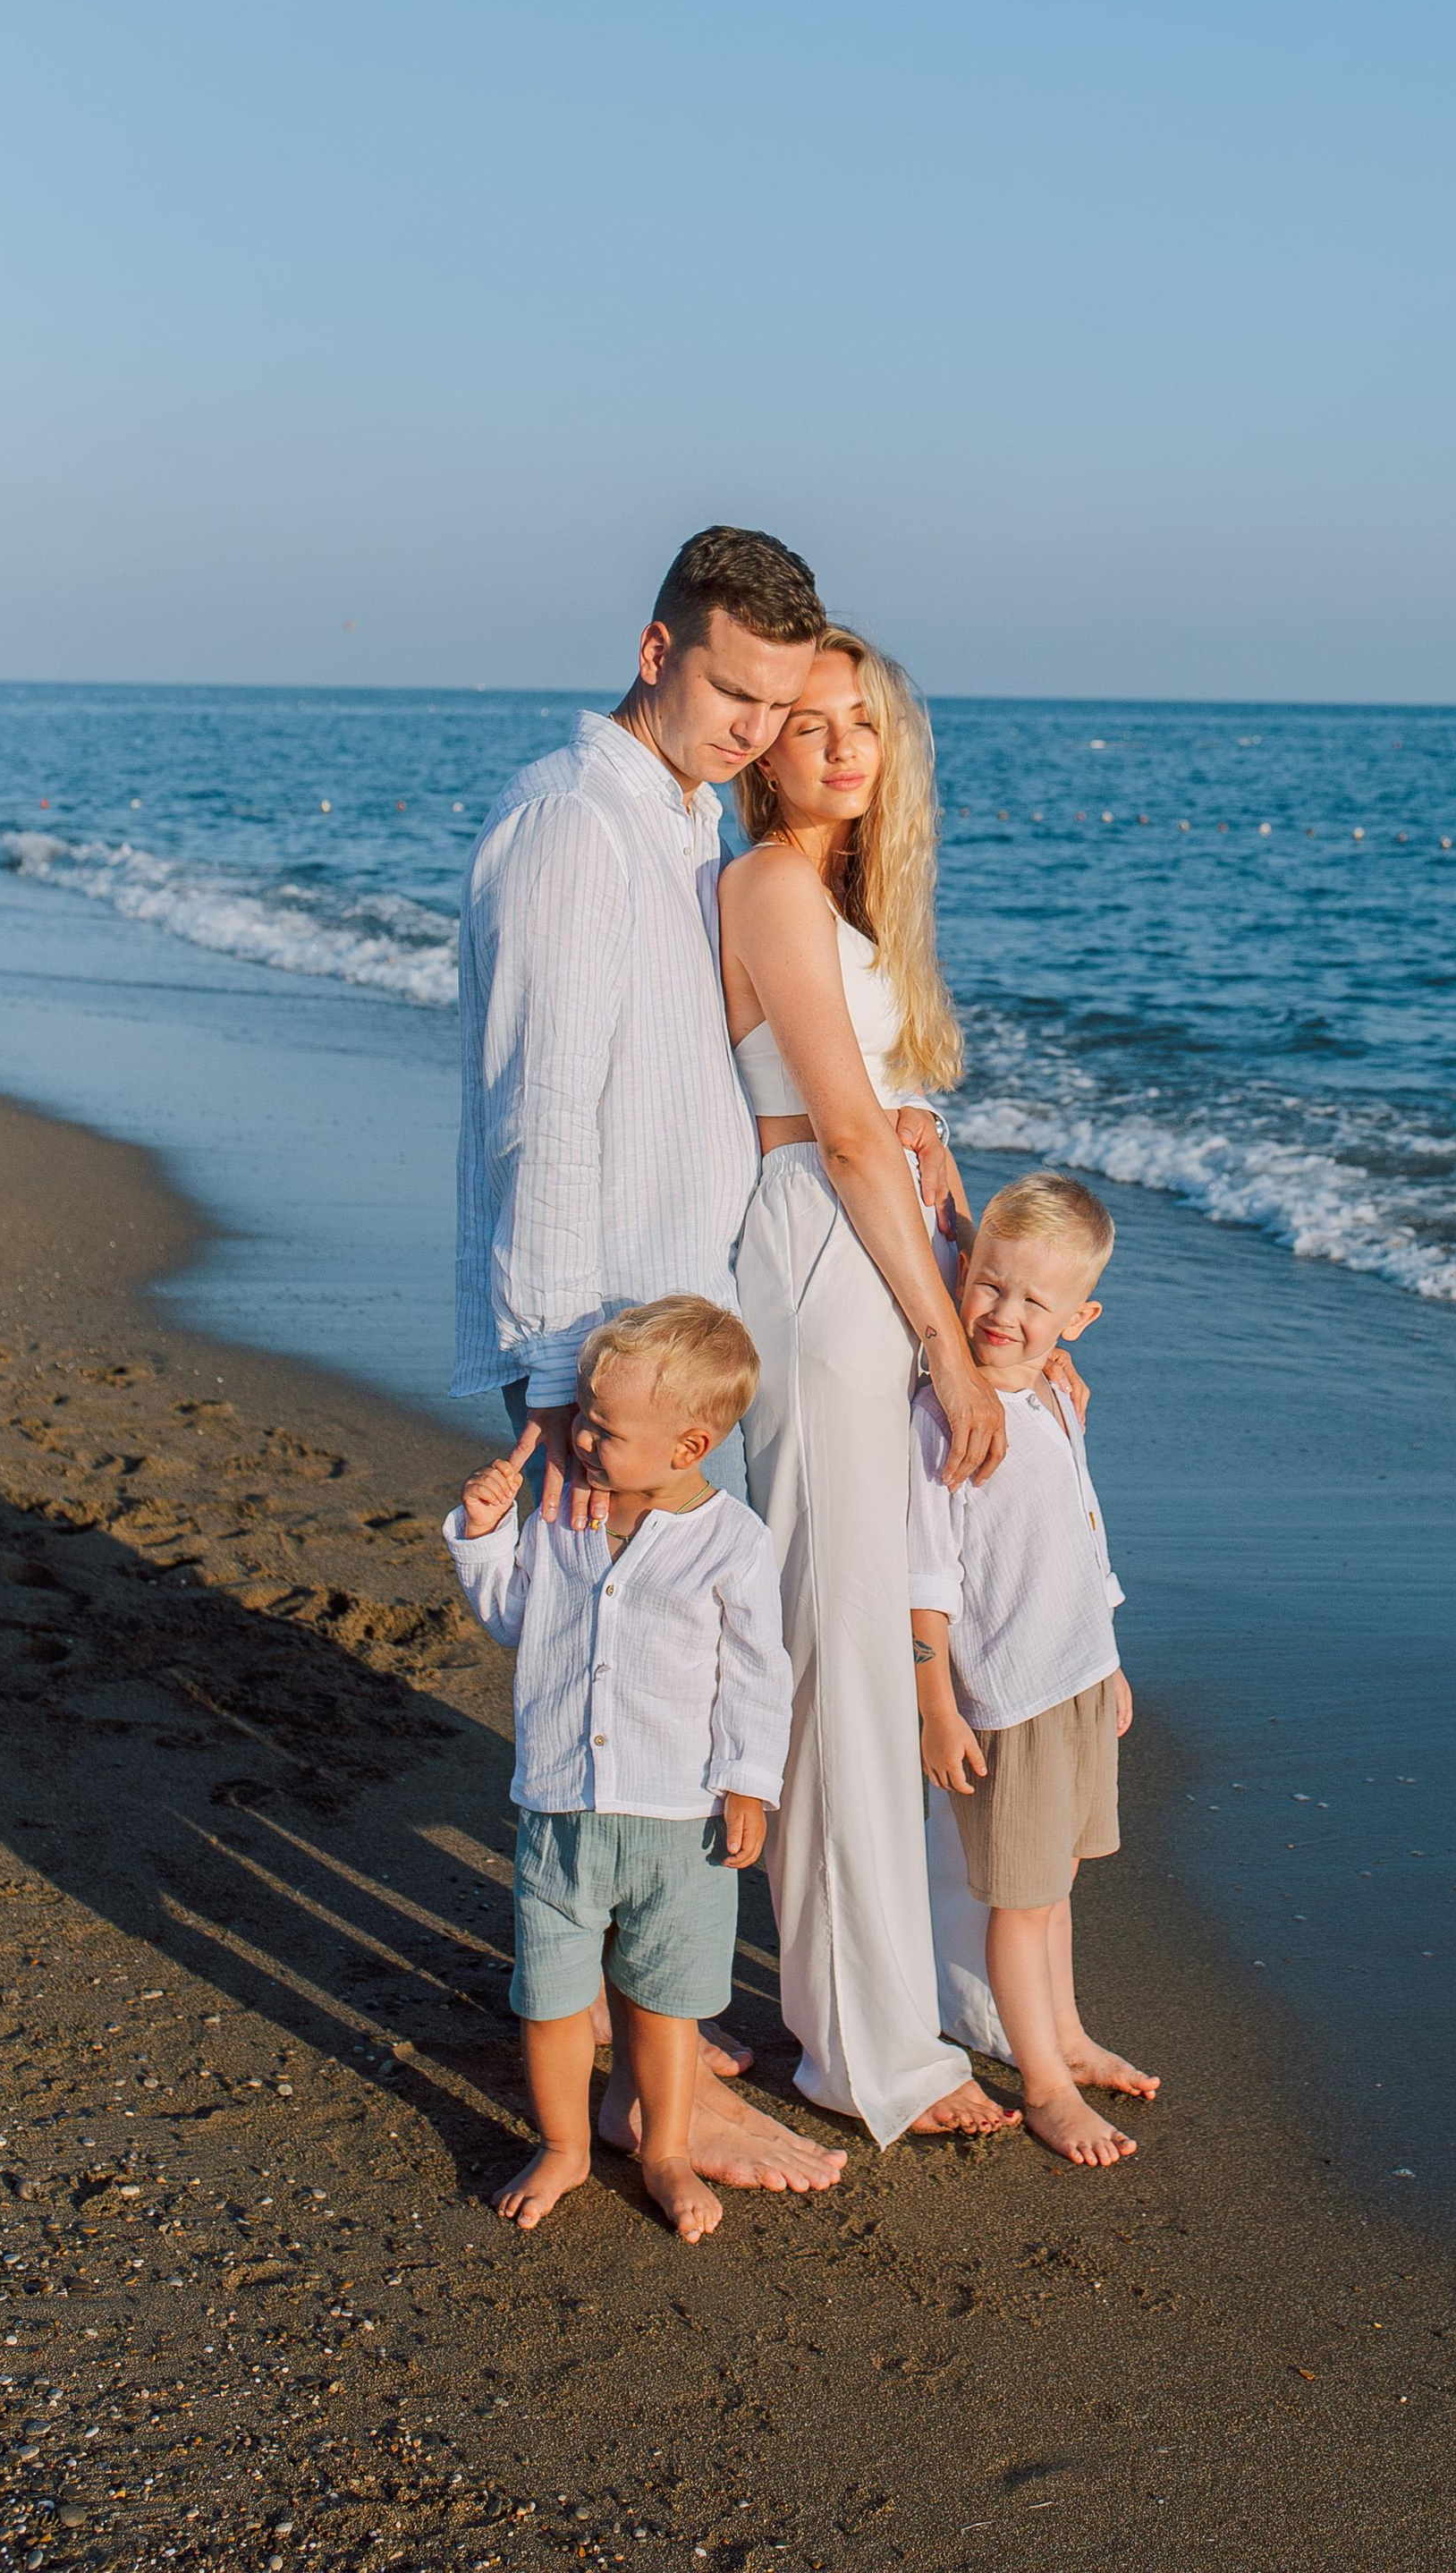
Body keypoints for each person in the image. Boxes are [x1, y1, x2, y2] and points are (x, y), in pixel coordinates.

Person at [454, 524, 941, 2195]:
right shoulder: (570, 830)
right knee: (631, 1745)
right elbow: (541, 1124)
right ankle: (659, 2109)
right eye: (731, 690)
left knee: (668, 1727)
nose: (751, 729)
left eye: (776, 704)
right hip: (620, 1365)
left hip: (688, 1335)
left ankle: (659, 2065)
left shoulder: (674, 827)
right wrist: (563, 1395)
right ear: (654, 649)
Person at [720, 630, 1023, 2144]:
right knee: (837, 1656)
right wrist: (954, 1352)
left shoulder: (838, 899)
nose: (845, 748)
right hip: (818, 1255)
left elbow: (874, 1110)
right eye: (811, 723)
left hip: (857, 1246)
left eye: (867, 723)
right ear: (762, 745)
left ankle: (879, 2012)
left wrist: (922, 1125)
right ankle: (863, 2052)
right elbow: (833, 1132)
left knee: (847, 1637)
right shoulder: (771, 884)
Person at [444, 1297, 791, 2244]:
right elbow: (517, 1621)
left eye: (604, 1427)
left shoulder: (732, 1542)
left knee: (664, 2004)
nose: (581, 1436)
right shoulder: (560, 1514)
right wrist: (484, 1537)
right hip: (559, 1809)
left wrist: (750, 1780)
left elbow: (760, 1673)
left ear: (689, 1445)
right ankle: (562, 2145)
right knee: (553, 1998)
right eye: (584, 1417)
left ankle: (666, 2149)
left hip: (679, 1820)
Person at [908, 1171, 1160, 2166]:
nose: (1005, 1314)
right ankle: (1044, 2085)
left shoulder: (1056, 1396)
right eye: (990, 1286)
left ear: (1080, 1319)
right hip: (1005, 1697)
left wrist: (1111, 1656)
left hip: (1079, 1680)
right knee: (1015, 1899)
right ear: (962, 1273)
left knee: (1054, 1884)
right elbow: (922, 1570)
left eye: (1035, 1301)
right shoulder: (944, 1413)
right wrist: (935, 1703)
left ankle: (1065, 2033)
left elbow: (1083, 1532)